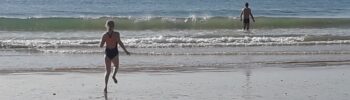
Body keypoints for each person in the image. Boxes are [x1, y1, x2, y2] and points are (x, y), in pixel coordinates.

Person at [100, 20, 130, 93]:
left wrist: (103, 41)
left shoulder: (104, 35)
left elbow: (101, 46)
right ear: (114, 26)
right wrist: (126, 51)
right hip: (114, 53)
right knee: (116, 67)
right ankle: (113, 76)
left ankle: (105, 87)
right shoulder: (117, 34)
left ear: (106, 26)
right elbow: (120, 43)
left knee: (107, 72)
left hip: (107, 54)